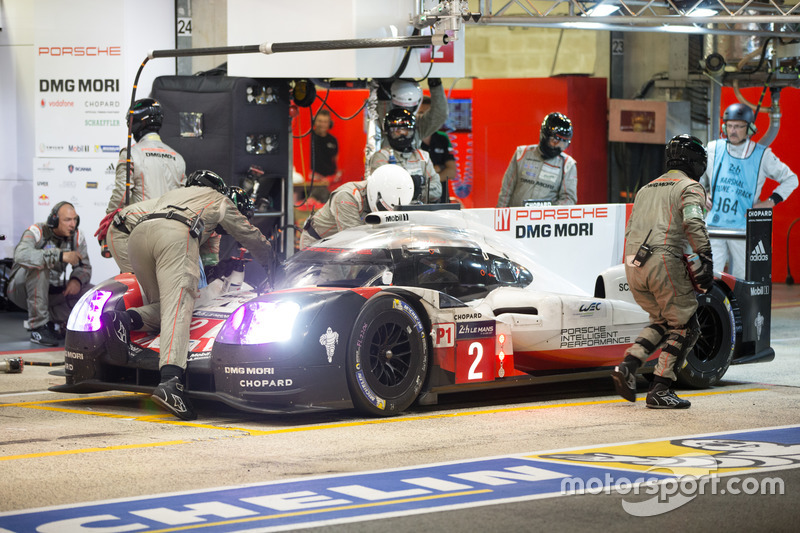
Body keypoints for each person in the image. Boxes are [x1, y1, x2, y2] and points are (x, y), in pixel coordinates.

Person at [105, 170, 274, 420]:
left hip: (137, 237)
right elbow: (249, 235)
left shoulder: (177, 197)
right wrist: (272, 261)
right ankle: (171, 382)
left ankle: (124, 320)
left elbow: (208, 262)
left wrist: (215, 271)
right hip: (174, 234)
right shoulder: (219, 199)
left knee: (165, 307)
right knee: (179, 306)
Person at [611, 135, 714, 409]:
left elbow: (632, 228)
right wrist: (706, 258)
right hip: (663, 261)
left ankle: (627, 366)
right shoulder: (690, 187)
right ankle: (661, 388)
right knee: (686, 326)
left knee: (660, 321)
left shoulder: (645, 188)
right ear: (696, 163)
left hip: (633, 263)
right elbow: (693, 222)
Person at [700, 102, 798, 278]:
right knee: (710, 279)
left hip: (743, 229)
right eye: (729, 126)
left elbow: (791, 179)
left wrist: (770, 201)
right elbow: (695, 176)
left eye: (738, 126)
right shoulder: (714, 148)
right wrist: (700, 192)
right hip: (714, 226)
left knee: (741, 280)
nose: (733, 131)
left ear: (750, 128)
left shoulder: (762, 155)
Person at [6, 201, 92, 346]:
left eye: (75, 219)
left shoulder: (77, 237)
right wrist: (58, 256)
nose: (72, 224)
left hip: (48, 291)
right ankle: (38, 327)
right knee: (40, 265)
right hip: (19, 290)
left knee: (90, 291)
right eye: (67, 220)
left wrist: (76, 280)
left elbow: (85, 267)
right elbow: (20, 255)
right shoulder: (36, 231)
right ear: (54, 220)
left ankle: (52, 321)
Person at [299, 164, 415, 249]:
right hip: (318, 241)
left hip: (341, 242)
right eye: (385, 207)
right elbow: (352, 239)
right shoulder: (347, 196)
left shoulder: (394, 195)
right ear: (375, 193)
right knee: (329, 281)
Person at [106, 98, 186, 213]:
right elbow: (183, 197)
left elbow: (122, 194)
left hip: (141, 225)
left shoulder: (130, 154)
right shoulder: (178, 158)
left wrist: (109, 216)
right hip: (170, 225)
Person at [497, 112, 577, 207]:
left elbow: (569, 199)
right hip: (517, 218)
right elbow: (506, 190)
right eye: (555, 141)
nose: (557, 147)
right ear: (545, 136)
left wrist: (548, 213)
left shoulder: (568, 164)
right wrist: (500, 216)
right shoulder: (521, 153)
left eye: (562, 144)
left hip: (546, 220)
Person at [369, 108, 442, 203]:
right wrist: (417, 184)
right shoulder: (381, 157)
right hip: (393, 213)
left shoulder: (422, 156)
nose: (402, 134)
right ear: (388, 132)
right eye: (397, 130)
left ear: (413, 131)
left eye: (406, 130)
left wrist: (415, 191)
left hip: (421, 211)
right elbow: (382, 190)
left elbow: (437, 190)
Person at [377, 78, 449, 151]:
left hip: (413, 161)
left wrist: (435, 85)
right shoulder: (378, 118)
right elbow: (384, 114)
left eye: (409, 108)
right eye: (399, 107)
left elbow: (439, 115)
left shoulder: (417, 123)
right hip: (383, 160)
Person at [419, 96, 457, 203]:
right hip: (418, 202)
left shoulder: (443, 138)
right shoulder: (410, 139)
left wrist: (430, 180)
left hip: (442, 201)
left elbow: (452, 172)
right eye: (421, 113)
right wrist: (439, 168)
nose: (425, 118)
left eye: (429, 114)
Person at [310, 109, 342, 186]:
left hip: (329, 182)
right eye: (320, 121)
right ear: (314, 122)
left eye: (325, 122)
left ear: (330, 124)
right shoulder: (309, 138)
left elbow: (336, 161)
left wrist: (331, 179)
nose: (322, 124)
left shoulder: (333, 140)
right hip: (312, 182)